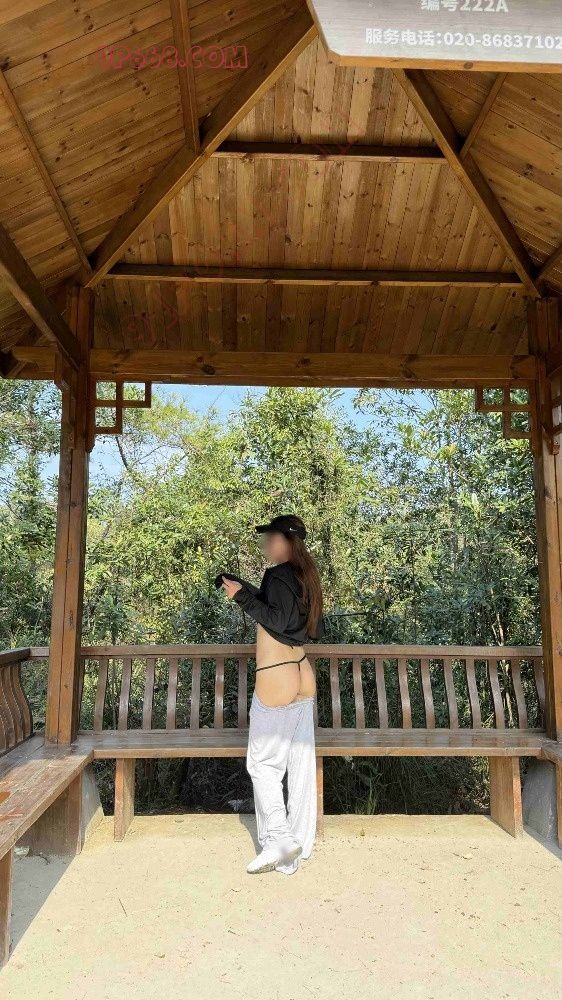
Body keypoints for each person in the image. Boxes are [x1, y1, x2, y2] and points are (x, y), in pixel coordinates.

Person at [217, 513, 324, 876]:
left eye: (270, 538)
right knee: (299, 762)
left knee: (263, 764)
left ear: (284, 541)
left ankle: (278, 840)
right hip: (302, 671)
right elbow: (303, 624)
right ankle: (299, 844)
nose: (265, 544)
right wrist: (244, 590)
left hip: (278, 674)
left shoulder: (278, 574)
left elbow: (275, 620)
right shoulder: (306, 576)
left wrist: (239, 596)